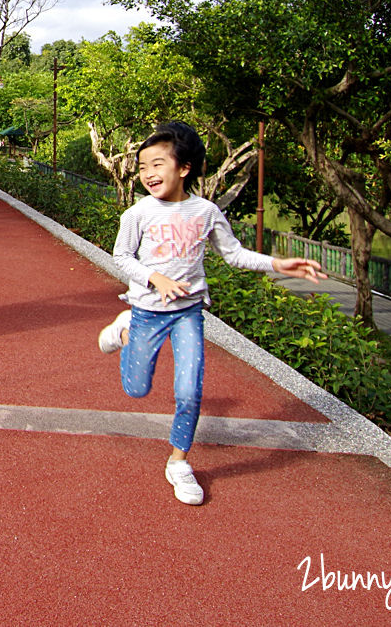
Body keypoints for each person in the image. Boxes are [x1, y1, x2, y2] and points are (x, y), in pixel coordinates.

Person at [96, 121, 325, 506]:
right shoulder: (137, 214)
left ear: (184, 168)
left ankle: (179, 462)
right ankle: (124, 331)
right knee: (137, 389)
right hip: (148, 311)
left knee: (190, 391)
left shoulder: (205, 212)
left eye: (157, 164)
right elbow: (120, 256)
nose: (148, 174)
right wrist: (154, 278)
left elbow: (233, 254)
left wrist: (277, 264)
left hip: (188, 312)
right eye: (142, 167)